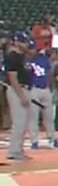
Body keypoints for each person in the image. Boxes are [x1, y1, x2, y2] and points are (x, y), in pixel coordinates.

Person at [4, 31, 33, 163]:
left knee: (24, 122)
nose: (26, 45)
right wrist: (21, 96)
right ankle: (14, 151)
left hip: (24, 88)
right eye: (23, 42)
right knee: (19, 122)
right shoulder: (13, 56)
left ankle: (18, 150)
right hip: (17, 89)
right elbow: (13, 78)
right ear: (16, 42)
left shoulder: (21, 56)